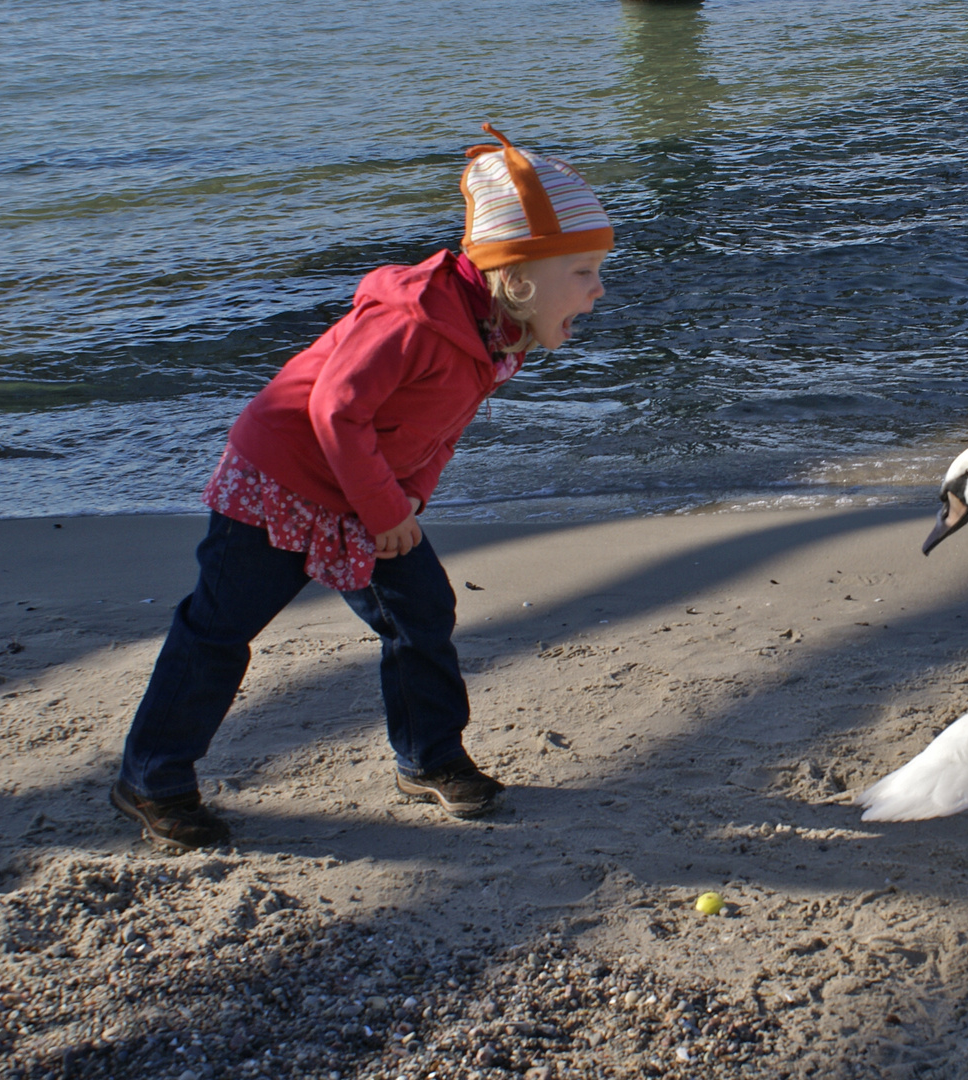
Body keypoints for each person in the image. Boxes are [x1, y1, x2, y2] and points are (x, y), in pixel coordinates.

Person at [112, 124, 611, 851]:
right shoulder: (412, 321)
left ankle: (430, 756)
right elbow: (333, 411)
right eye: (584, 273)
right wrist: (385, 510)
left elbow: (438, 430)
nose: (598, 290)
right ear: (522, 275)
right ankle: (151, 778)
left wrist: (407, 501)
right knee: (219, 628)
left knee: (420, 613)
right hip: (280, 479)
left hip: (367, 491)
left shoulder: (497, 331)